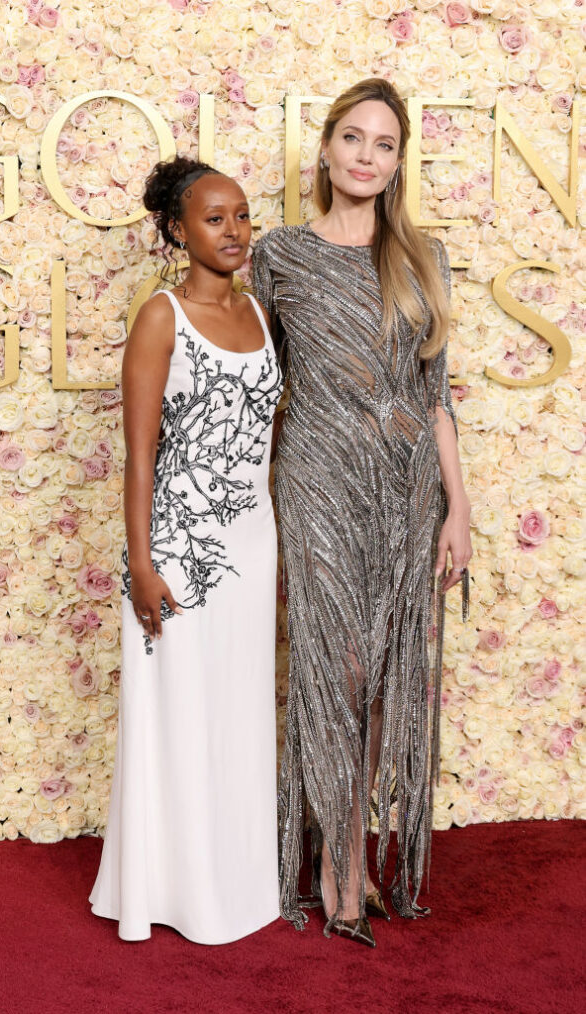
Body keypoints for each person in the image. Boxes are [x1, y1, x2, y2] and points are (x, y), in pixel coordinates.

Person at [252, 78, 472, 947]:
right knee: (335, 671)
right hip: (316, 478)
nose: (365, 156)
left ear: (398, 161)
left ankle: (359, 860)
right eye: (353, 138)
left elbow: (438, 393)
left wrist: (460, 507)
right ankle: (338, 875)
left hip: (408, 486)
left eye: (383, 144)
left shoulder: (425, 257)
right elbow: (251, 380)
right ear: (327, 149)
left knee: (382, 684)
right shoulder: (279, 254)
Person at [90, 156, 283, 944]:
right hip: (178, 549)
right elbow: (141, 454)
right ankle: (172, 892)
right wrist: (141, 563)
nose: (234, 230)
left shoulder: (264, 316)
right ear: (176, 229)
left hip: (251, 541)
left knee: (236, 713)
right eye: (214, 218)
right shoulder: (160, 316)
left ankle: (235, 881)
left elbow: (267, 437)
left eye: (241, 215)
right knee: (177, 713)